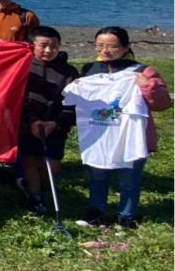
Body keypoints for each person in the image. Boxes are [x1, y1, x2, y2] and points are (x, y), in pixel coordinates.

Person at [67, 26, 172, 228]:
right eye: (99, 46)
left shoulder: (142, 71)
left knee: (129, 179)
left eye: (112, 46)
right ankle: (95, 212)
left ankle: (126, 216)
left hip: (132, 135)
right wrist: (78, 86)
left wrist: (147, 85)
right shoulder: (90, 69)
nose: (105, 50)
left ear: (125, 47)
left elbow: (162, 104)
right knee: (98, 176)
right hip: (100, 134)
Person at [17, 26, 79, 215]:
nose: (48, 51)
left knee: (51, 163)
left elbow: (74, 103)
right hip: (29, 124)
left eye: (53, 46)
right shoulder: (23, 67)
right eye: (43, 46)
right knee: (30, 160)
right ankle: (34, 196)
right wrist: (33, 121)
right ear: (32, 46)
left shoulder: (69, 72)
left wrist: (56, 123)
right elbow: (19, 99)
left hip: (56, 125)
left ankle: (43, 185)